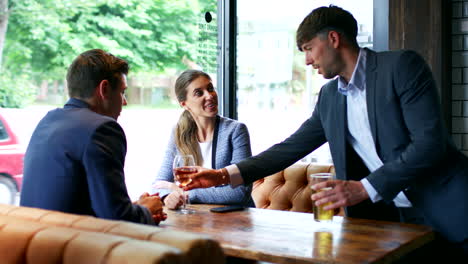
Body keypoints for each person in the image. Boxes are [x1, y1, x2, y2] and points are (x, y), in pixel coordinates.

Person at [185, 5, 468, 256]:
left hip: (450, 210)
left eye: (308, 48)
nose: (307, 60)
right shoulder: (330, 96)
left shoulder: (402, 66)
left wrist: (363, 188)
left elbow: (429, 144)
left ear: (333, 39)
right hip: (393, 222)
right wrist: (223, 175)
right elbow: (289, 148)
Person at [20, 49, 166, 225]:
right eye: (122, 92)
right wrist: (147, 211)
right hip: (72, 247)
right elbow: (117, 218)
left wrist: (134, 207)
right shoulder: (102, 129)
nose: (124, 102)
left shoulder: (47, 121)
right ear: (104, 89)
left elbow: (90, 205)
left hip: (34, 242)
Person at [151, 69, 254, 209]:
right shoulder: (178, 133)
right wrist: (168, 196)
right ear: (184, 104)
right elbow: (159, 184)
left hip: (234, 220)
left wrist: (185, 194)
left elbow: (240, 192)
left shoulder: (236, 131)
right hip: (195, 218)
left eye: (210, 89)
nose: (209, 96)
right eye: (199, 93)